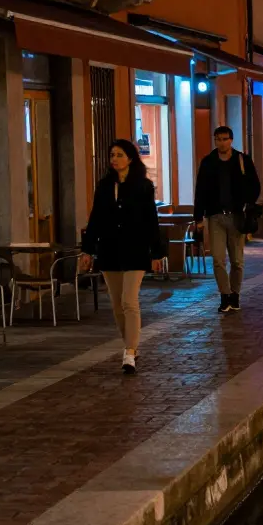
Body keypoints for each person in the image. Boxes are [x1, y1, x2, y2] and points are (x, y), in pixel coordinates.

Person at [80, 140, 164, 374]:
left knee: (129, 300)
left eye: (119, 154)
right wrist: (87, 249)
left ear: (130, 158)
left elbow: (151, 220)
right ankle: (131, 346)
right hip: (109, 249)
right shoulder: (104, 186)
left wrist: (157, 253)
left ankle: (129, 351)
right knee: (117, 304)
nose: (114, 159)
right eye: (112, 155)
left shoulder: (143, 186)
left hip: (135, 249)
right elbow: (95, 219)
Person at [195, 126, 261, 310]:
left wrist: (248, 203)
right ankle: (225, 296)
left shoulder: (242, 160)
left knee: (237, 261)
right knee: (217, 259)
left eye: (224, 139)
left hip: (237, 217)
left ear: (231, 140)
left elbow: (255, 185)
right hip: (215, 216)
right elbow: (200, 190)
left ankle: (235, 294)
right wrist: (198, 216)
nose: (221, 142)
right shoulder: (208, 162)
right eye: (218, 139)